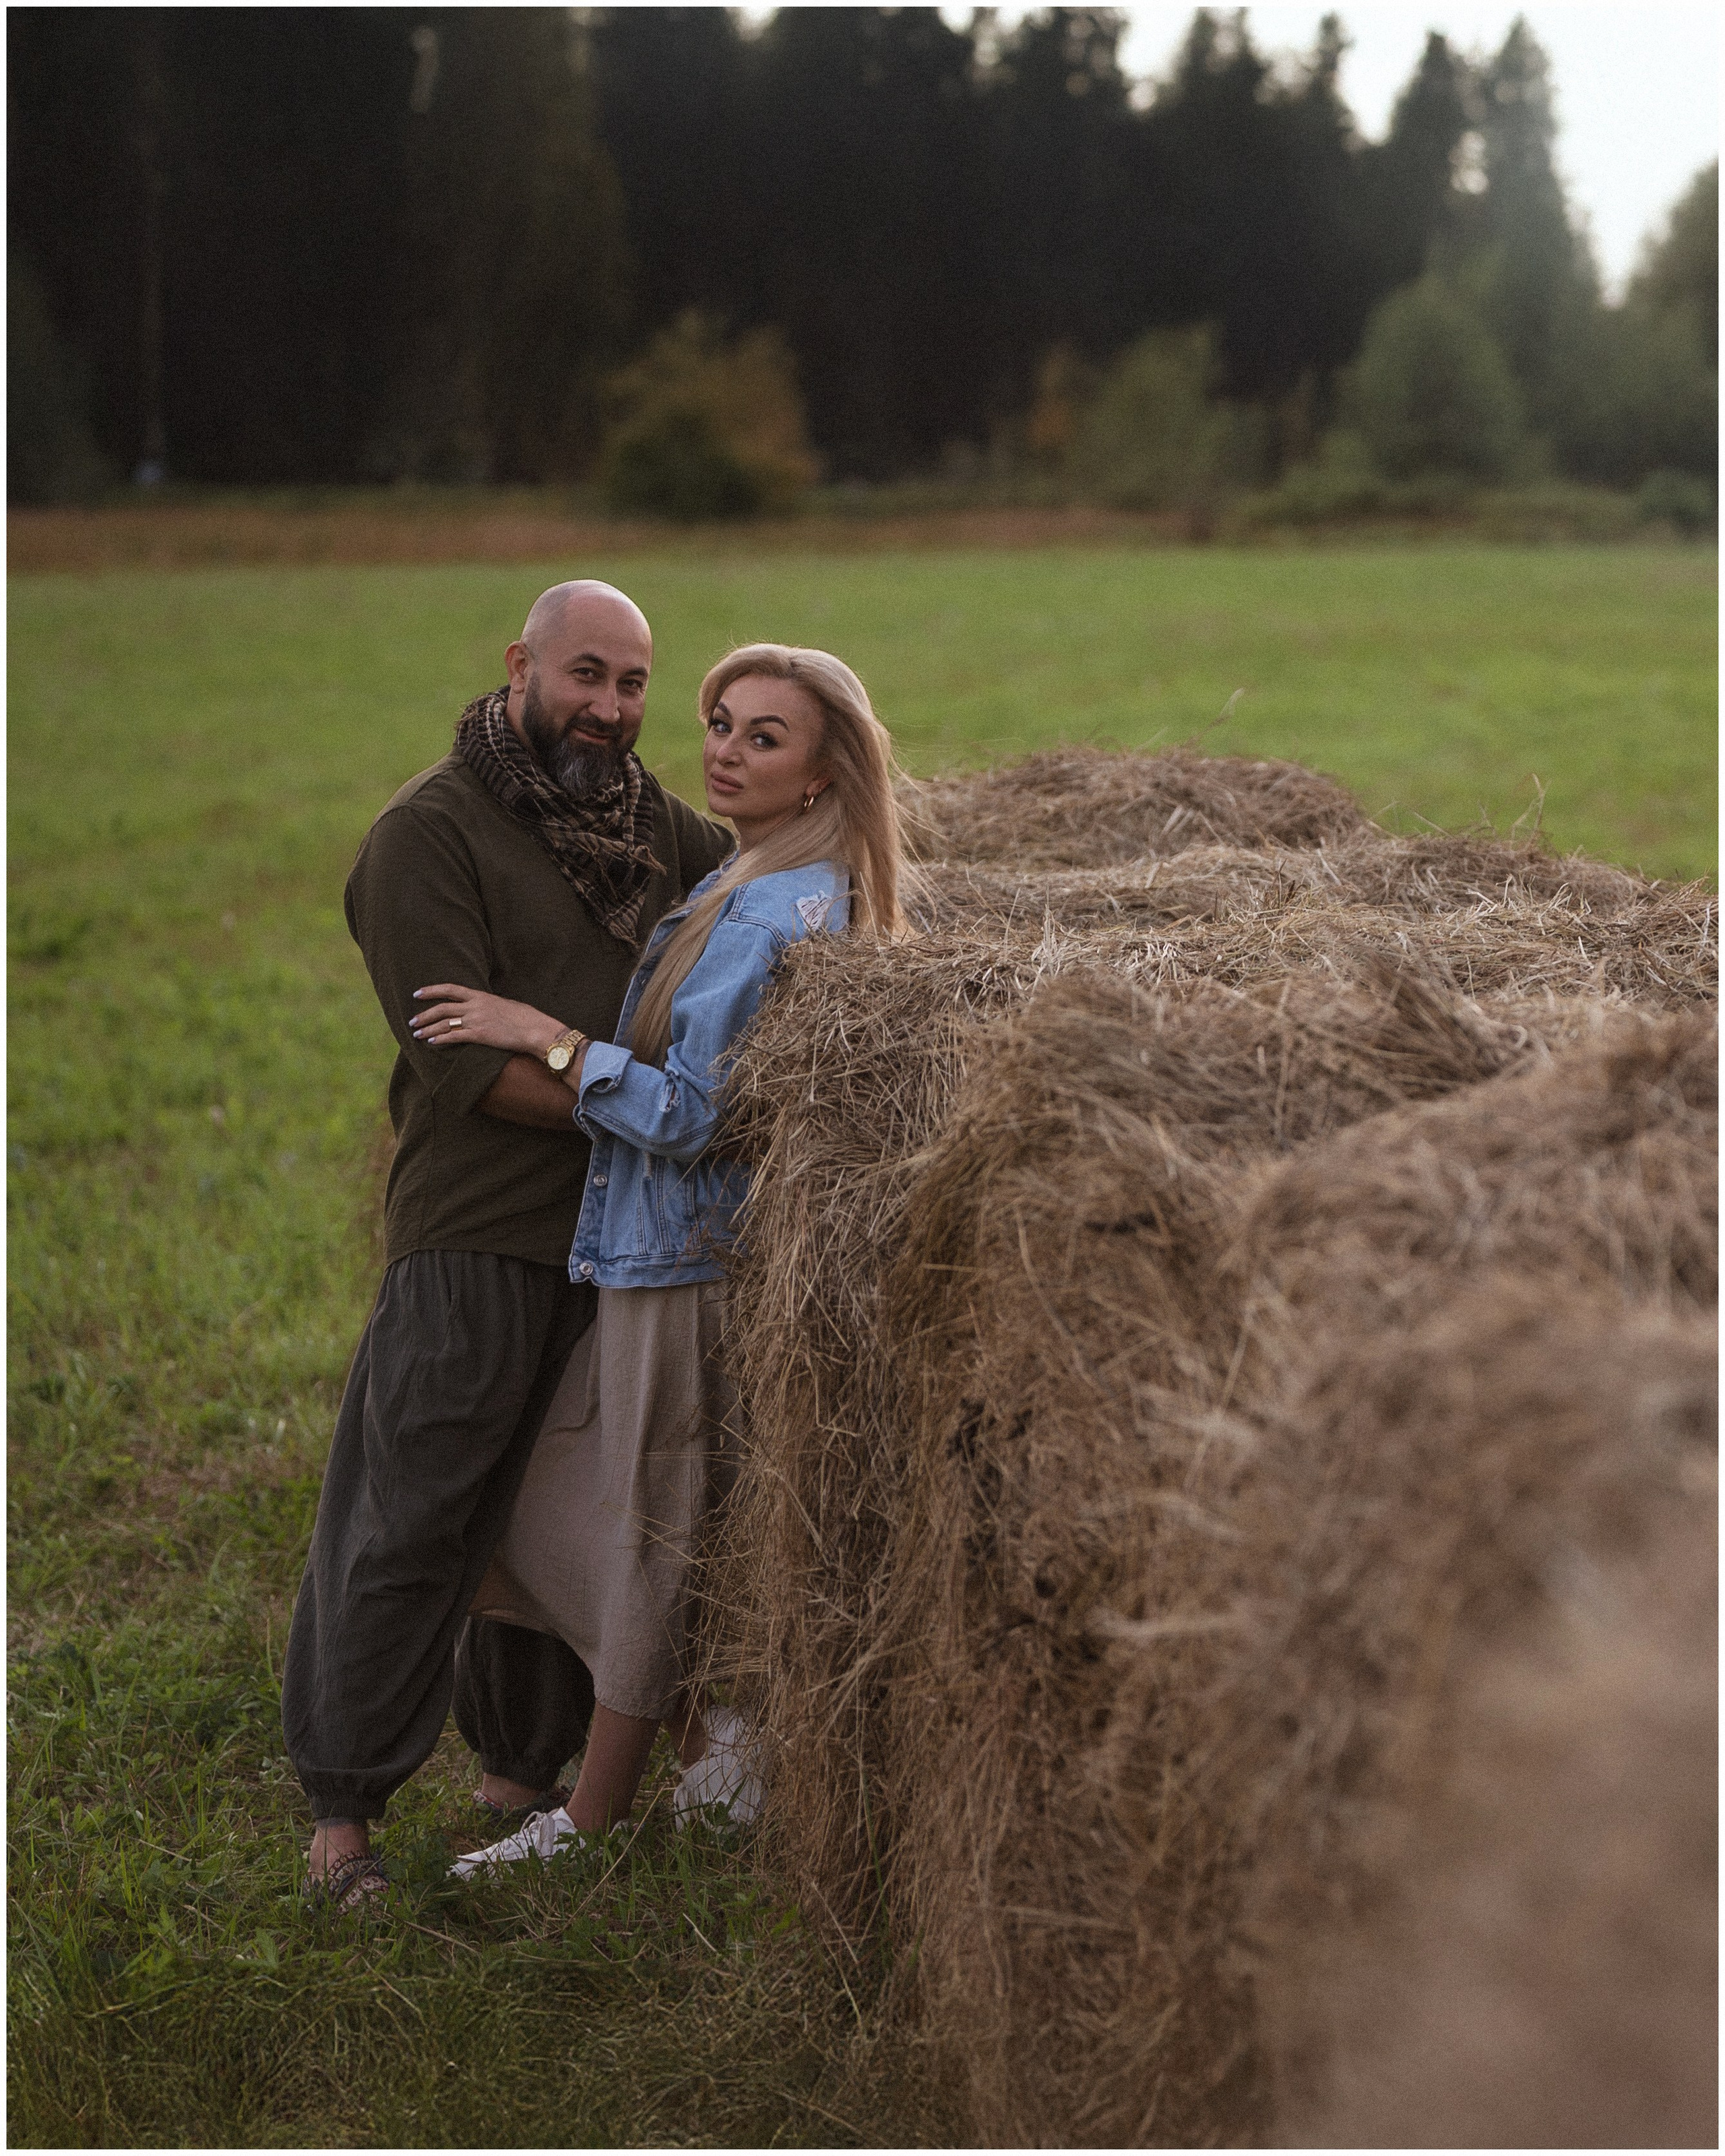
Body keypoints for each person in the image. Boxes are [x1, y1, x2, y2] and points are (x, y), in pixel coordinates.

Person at [406, 643, 906, 1870]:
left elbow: (694, 1116)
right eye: (720, 723)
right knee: (559, 1511)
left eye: (763, 737)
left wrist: (551, 1040)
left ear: (826, 769)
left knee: (646, 1533)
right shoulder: (761, 876)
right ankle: (719, 1738)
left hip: (687, 1263)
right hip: (659, 1256)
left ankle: (587, 1821)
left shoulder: (773, 910)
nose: (723, 751)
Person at [284, 579, 734, 1911]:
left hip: (620, 1241)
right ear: (519, 665)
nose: (609, 707)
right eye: (585, 674)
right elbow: (467, 1073)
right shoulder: (428, 835)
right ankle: (341, 1815)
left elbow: (776, 866)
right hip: (478, 1228)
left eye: (634, 683)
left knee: (557, 1520)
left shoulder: (652, 826)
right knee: (416, 1508)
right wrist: (660, 1122)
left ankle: (518, 1776)